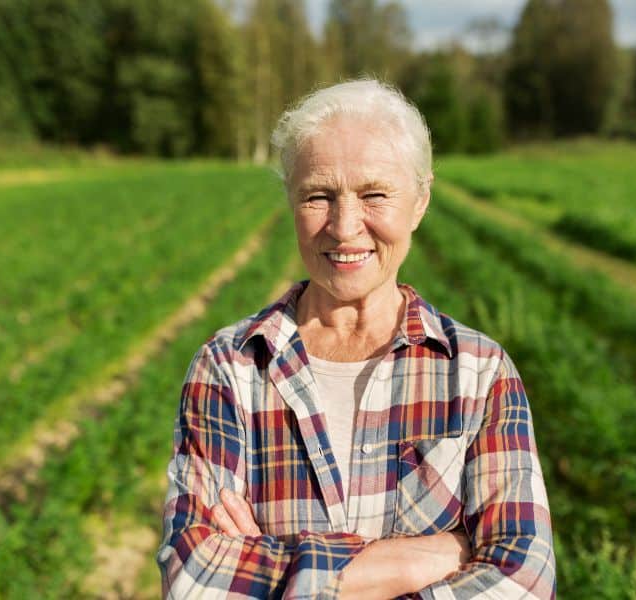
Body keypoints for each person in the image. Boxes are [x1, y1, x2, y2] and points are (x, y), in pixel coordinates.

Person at [157, 79, 555, 599]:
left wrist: (276, 571)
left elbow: (524, 579)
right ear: (290, 200)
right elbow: (193, 581)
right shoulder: (230, 368)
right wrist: (411, 563)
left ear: (419, 202)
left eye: (374, 195)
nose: (345, 228)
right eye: (318, 196)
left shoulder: (479, 372)